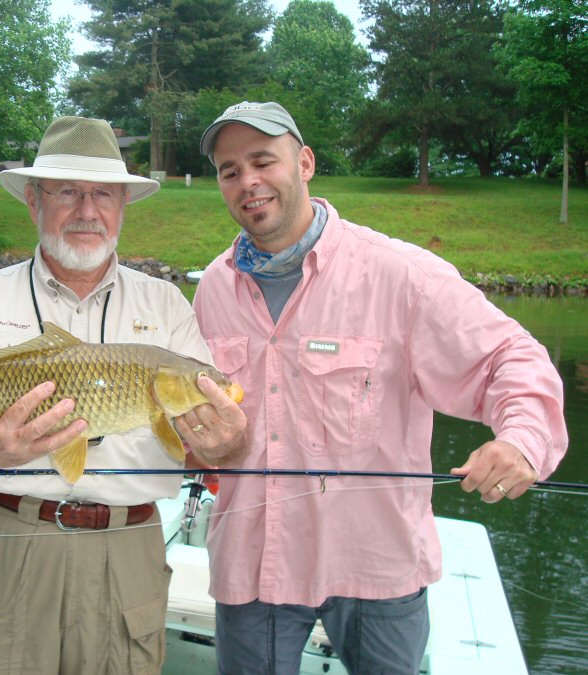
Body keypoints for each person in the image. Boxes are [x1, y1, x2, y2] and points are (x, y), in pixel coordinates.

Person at [193, 101, 568, 675]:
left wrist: (520, 441)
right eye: (229, 170)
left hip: (377, 571)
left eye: (263, 161)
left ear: (305, 162)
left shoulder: (401, 275)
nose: (249, 182)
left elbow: (510, 358)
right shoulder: (213, 287)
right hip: (253, 570)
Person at [0, 116, 247, 675]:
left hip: (127, 553)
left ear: (123, 205)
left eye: (103, 194)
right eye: (67, 192)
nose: (87, 210)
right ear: (33, 201)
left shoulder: (167, 306)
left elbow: (209, 453)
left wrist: (228, 444)